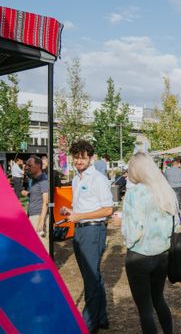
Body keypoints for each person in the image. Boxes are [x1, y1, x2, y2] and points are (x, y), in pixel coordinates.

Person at [122, 152, 179, 334]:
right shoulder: (165, 191)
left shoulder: (134, 193)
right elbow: (175, 224)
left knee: (145, 309)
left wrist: (127, 239)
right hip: (162, 254)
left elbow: (133, 230)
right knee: (159, 299)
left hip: (139, 255)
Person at [60, 140, 113, 332]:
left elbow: (107, 209)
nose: (78, 160)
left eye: (82, 157)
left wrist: (79, 215)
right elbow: (83, 207)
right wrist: (70, 211)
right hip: (80, 230)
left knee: (91, 279)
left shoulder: (98, 178)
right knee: (92, 276)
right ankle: (101, 317)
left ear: (90, 158)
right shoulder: (76, 179)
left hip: (93, 230)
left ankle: (87, 324)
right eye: (76, 157)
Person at [21, 156, 49, 250]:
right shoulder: (34, 180)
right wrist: (28, 194)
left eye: (30, 165)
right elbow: (37, 196)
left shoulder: (43, 180)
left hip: (38, 216)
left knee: (42, 246)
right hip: (33, 215)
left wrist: (41, 221)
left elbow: (46, 201)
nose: (27, 167)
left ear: (37, 165)